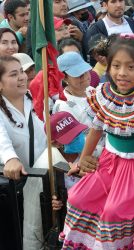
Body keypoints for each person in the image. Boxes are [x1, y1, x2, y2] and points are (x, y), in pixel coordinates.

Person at [59, 35, 134, 249]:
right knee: (78, 198)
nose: (122, 73)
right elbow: (96, 129)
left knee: (113, 212)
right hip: (110, 163)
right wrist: (84, 159)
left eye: (131, 67)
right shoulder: (103, 94)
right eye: (116, 66)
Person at [0, 55, 47, 249]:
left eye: (21, 72)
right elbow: (2, 139)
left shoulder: (33, 99)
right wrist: (11, 159)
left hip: (43, 183)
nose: (21, 77)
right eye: (13, 74)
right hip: (14, 192)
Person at [53, 51, 93, 127]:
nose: (85, 77)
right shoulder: (63, 107)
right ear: (64, 77)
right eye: (78, 74)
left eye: (85, 71)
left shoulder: (93, 91)